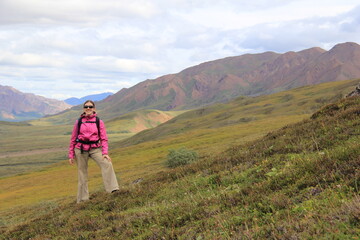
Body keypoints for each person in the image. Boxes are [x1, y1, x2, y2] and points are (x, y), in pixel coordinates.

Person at [68, 100, 119, 203]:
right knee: (82, 174)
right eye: (86, 107)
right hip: (80, 149)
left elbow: (104, 138)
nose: (88, 108)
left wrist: (105, 153)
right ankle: (83, 200)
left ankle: (113, 189)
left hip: (95, 148)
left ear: (94, 109)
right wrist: (71, 155)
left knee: (107, 164)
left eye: (90, 107)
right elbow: (73, 138)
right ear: (83, 109)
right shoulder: (78, 122)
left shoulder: (98, 121)